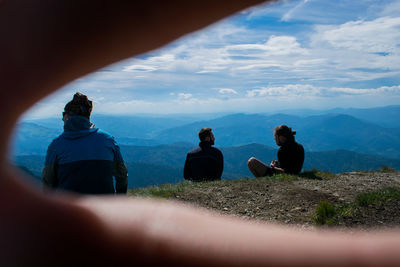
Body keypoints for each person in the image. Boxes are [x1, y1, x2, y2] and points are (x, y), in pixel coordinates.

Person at [2, 1, 400, 266]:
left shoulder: (55, 144)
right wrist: (118, 203)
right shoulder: (107, 141)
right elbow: (122, 176)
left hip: (66, 222)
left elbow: (50, 182)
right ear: (88, 115)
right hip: (107, 205)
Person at [42, 92, 128, 194]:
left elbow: (48, 184)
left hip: (69, 208)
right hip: (104, 207)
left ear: (68, 116)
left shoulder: (57, 145)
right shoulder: (107, 140)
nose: (62, 118)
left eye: (63, 114)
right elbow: (122, 175)